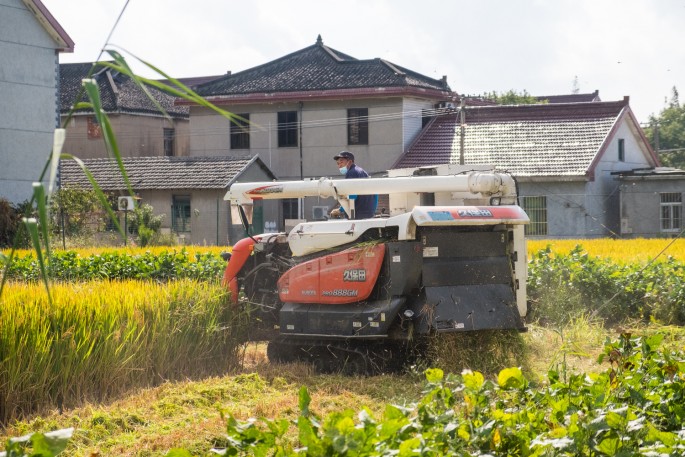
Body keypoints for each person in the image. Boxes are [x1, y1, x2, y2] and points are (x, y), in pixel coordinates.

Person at [329, 151, 378, 219]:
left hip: (357, 214)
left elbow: (351, 195)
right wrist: (372, 212)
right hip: (368, 214)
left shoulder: (352, 173)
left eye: (341, 162)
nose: (339, 165)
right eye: (338, 163)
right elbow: (375, 193)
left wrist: (340, 210)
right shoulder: (362, 172)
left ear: (350, 161)